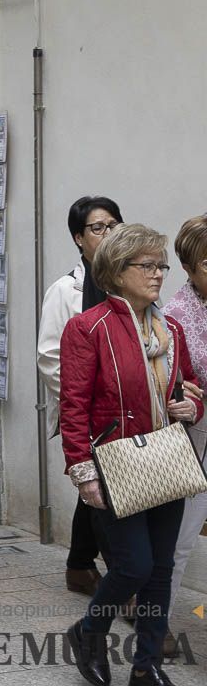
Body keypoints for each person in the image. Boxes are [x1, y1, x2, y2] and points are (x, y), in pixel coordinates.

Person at [59, 224, 202, 686]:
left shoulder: (172, 329)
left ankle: (146, 667)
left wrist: (190, 405)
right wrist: (84, 474)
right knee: (134, 566)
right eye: (148, 265)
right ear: (117, 273)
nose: (159, 273)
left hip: (167, 459)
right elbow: (74, 406)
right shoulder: (88, 327)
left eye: (161, 265)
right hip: (115, 463)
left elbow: (189, 387)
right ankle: (90, 630)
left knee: (160, 569)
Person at [36, 196, 123, 598]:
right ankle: (125, 582)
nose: (107, 234)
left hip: (127, 410)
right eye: (97, 228)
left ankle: (79, 565)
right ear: (78, 238)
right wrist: (80, 403)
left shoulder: (130, 282)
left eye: (113, 225)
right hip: (88, 412)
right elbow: (49, 355)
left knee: (98, 489)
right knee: (107, 489)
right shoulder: (65, 290)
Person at [151, 215, 207, 653]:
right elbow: (177, 385)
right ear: (188, 268)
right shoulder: (175, 317)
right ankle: (159, 621)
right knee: (181, 536)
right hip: (194, 437)